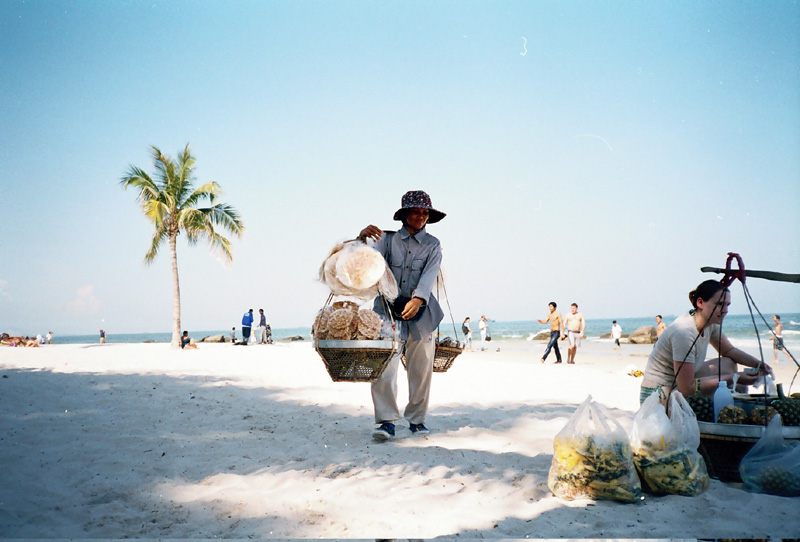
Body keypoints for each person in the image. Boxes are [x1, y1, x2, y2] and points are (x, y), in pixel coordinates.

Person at [357, 190, 445, 440]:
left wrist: (418, 299)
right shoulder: (386, 239)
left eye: (425, 212)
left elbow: (429, 276)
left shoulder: (433, 245)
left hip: (422, 313)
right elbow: (363, 257)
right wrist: (362, 237)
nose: (421, 216)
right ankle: (386, 422)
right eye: (416, 211)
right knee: (384, 367)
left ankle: (417, 420)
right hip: (387, 312)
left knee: (421, 370)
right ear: (404, 214)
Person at [640, 279, 773, 404]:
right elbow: (687, 389)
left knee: (729, 363)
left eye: (727, 305)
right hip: (657, 395)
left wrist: (758, 363)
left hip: (678, 383)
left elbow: (728, 350)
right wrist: (732, 377)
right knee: (731, 380)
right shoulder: (684, 332)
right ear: (700, 303)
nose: (725, 310)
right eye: (720, 304)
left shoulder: (711, 322)